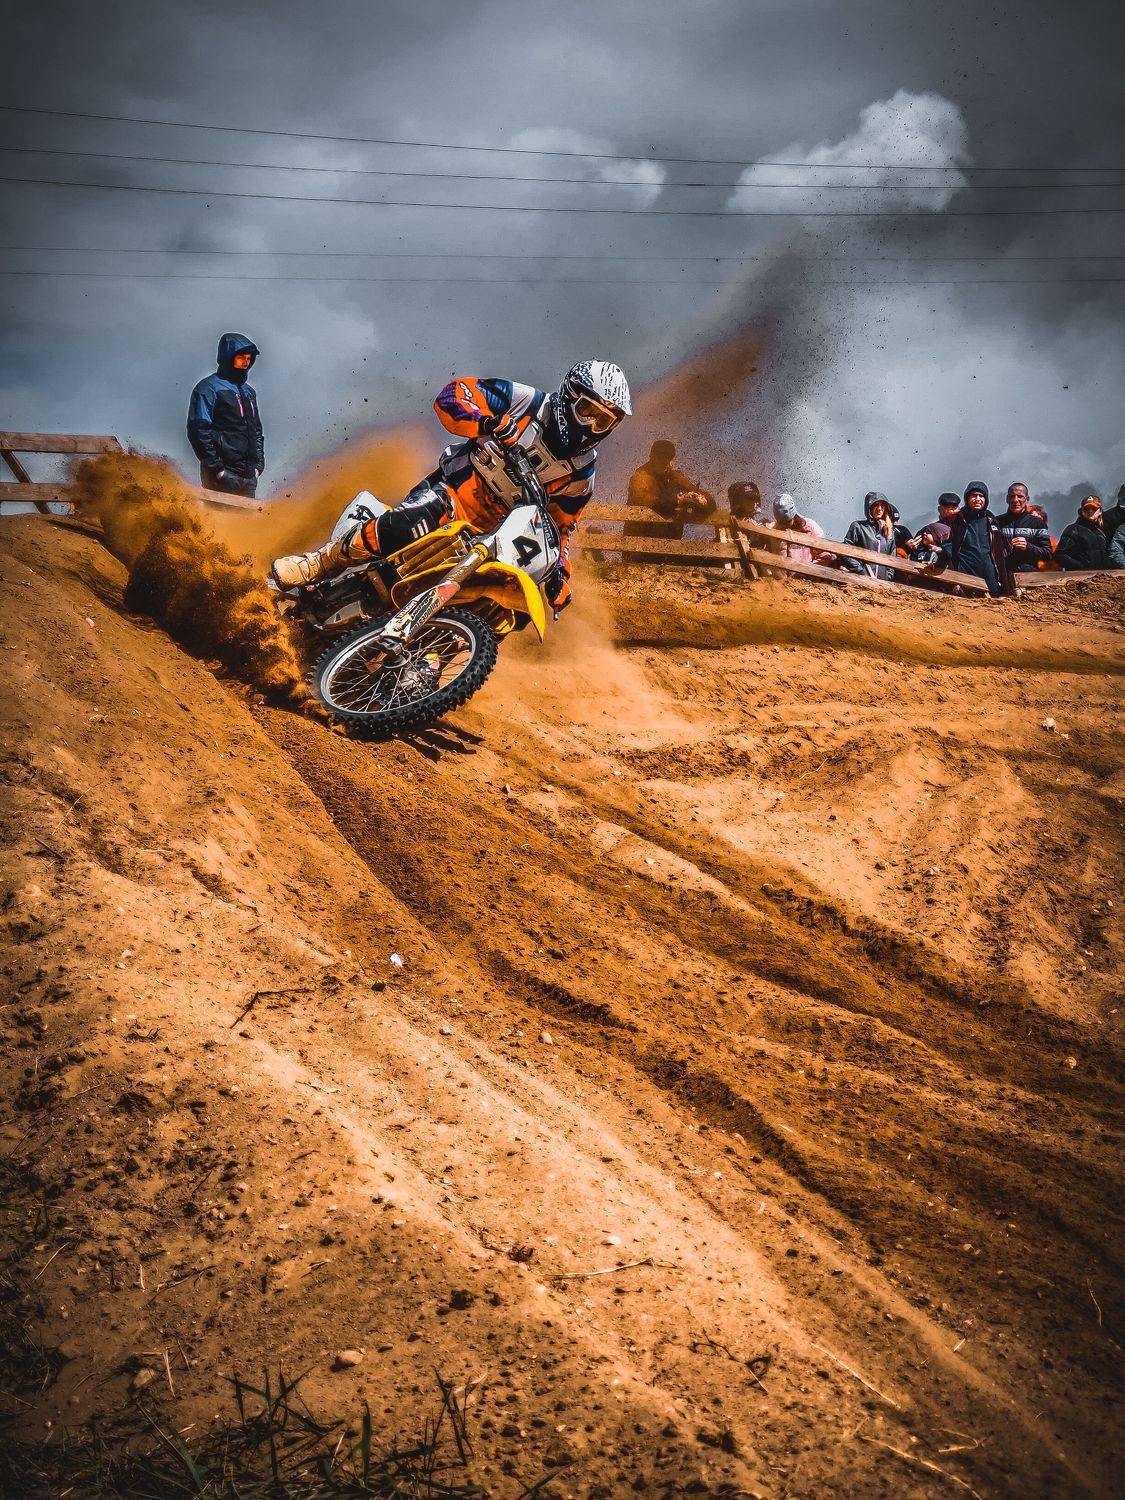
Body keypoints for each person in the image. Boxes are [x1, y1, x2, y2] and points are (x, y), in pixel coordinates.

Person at [272, 361, 632, 613]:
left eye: (604, 422)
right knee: (410, 523)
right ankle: (319, 563)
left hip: (494, 537)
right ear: (569, 396)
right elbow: (453, 395)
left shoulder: (582, 474)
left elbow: (562, 528)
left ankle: (434, 660)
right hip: (452, 495)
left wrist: (561, 576)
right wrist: (487, 422)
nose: (592, 426)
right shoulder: (524, 400)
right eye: (588, 411)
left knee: (503, 601)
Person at [187, 333, 264, 498]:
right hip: (220, 476)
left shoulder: (249, 392)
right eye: (241, 357)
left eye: (249, 358)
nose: (246, 362)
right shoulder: (208, 388)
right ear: (228, 357)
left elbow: (257, 431)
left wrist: (258, 467)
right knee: (216, 515)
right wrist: (217, 469)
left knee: (247, 516)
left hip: (248, 478)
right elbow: (198, 431)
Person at [625, 440, 715, 540]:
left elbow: (699, 494)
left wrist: (702, 499)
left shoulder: (674, 477)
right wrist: (679, 500)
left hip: (670, 542)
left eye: (668, 458)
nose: (665, 463)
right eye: (661, 458)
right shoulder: (640, 478)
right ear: (652, 457)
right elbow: (652, 504)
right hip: (640, 542)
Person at [949, 481, 1007, 596]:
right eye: (974, 495)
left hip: (989, 572)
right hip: (965, 571)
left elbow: (1000, 547)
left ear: (986, 499)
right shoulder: (957, 519)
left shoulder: (990, 519)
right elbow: (938, 529)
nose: (977, 499)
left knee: (993, 598)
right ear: (967, 498)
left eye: (981, 496)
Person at [995, 481, 1054, 576]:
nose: (1015, 500)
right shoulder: (997, 522)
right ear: (1007, 499)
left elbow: (1048, 554)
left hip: (1029, 578)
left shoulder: (1037, 523)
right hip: (1002, 577)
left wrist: (1028, 546)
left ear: (1027, 499)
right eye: (1012, 496)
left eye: (1020, 496)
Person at [839, 491, 899, 579]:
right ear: (869, 507)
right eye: (876, 505)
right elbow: (845, 551)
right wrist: (861, 571)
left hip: (882, 583)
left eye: (882, 505)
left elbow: (892, 557)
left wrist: (887, 576)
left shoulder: (889, 531)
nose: (879, 509)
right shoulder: (858, 526)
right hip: (861, 580)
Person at [767, 493, 828, 563]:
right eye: (781, 523)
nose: (784, 526)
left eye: (787, 522)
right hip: (779, 568)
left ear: (793, 516)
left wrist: (809, 567)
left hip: (806, 568)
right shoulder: (773, 528)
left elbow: (824, 556)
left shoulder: (810, 527)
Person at [1057, 495, 1112, 571]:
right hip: (1080, 577)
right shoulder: (1073, 529)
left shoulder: (1101, 531)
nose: (1090, 511)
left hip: (1102, 577)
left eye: (1094, 508)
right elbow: (1059, 555)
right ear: (1081, 511)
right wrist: (1081, 567)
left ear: (1100, 511)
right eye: (1086, 509)